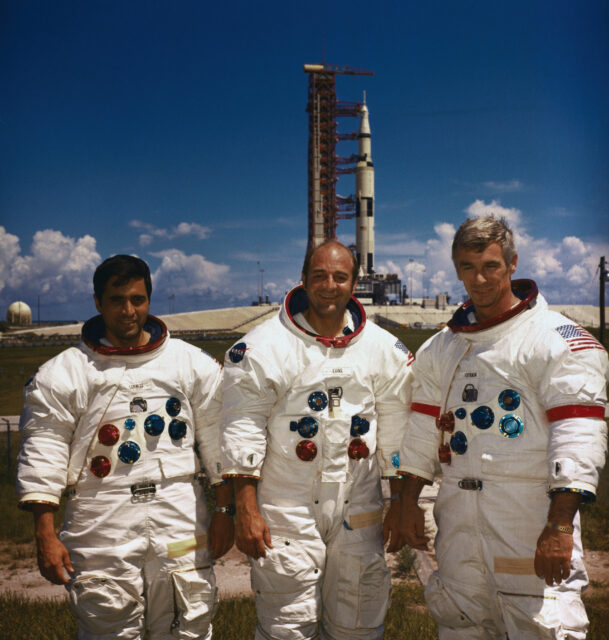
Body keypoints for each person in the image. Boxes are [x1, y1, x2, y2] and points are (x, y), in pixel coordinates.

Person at [397, 216, 608, 639]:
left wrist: (560, 526)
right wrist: (406, 502)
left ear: (512, 265)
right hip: (458, 520)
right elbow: (422, 429)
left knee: (542, 624)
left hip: (527, 518)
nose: (480, 278)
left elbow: (577, 438)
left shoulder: (556, 339)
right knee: (462, 622)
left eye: (491, 265)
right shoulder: (442, 346)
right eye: (468, 267)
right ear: (457, 270)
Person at [16, 254, 234, 640]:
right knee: (109, 625)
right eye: (117, 300)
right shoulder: (63, 374)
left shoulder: (190, 364)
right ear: (98, 302)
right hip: (101, 516)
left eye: (138, 299)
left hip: (179, 511)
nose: (128, 311)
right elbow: (43, 451)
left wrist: (224, 509)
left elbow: (218, 439)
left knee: (190, 621)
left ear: (149, 299)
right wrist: (45, 534)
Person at [220, 240, 413, 640]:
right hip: (286, 505)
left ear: (354, 283)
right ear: (303, 280)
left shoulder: (383, 349)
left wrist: (399, 500)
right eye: (320, 275)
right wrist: (246, 508)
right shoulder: (262, 347)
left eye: (340, 277)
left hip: (358, 504)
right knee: (287, 627)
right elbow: (243, 426)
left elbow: (396, 428)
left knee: (358, 622)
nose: (330, 285)